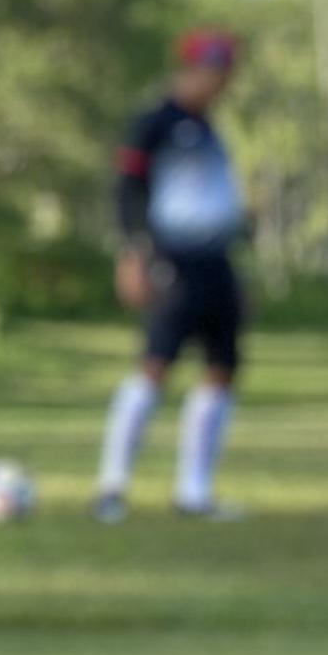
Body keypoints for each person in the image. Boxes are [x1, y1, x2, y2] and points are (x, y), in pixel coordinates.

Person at [96, 29, 248, 523]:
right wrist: (132, 252)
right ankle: (112, 486)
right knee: (155, 364)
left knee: (222, 369)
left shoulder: (209, 128)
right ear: (191, 69)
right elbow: (127, 189)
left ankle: (194, 492)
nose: (220, 85)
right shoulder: (156, 122)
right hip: (172, 260)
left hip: (215, 261)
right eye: (214, 74)